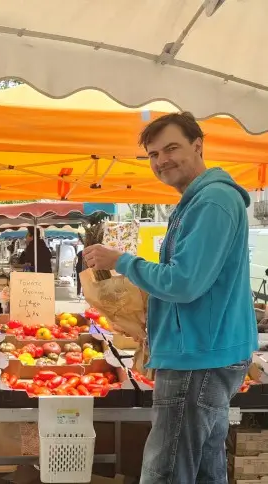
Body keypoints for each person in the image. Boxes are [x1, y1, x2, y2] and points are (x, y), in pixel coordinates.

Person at [84, 112, 257, 484]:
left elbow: (184, 283)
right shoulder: (200, 200)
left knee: (167, 468)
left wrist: (123, 261)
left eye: (172, 148)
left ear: (198, 146)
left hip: (198, 357)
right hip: (209, 350)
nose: (162, 160)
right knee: (205, 466)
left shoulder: (211, 202)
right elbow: (196, 282)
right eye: (153, 154)